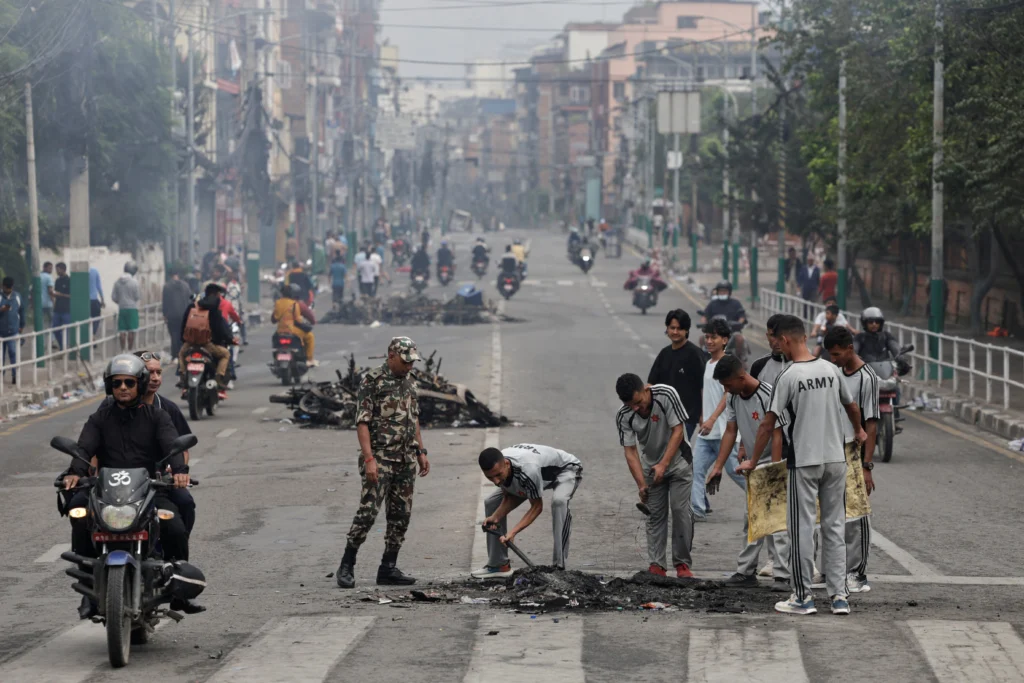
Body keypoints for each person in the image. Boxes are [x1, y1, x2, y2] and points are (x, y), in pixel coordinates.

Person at [737, 315, 867, 616]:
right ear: (805, 336)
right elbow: (851, 406)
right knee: (834, 527)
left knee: (802, 529)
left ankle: (802, 596)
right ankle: (838, 598)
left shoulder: (788, 376)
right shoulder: (832, 370)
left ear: (784, 341)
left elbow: (768, 424)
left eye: (775, 340)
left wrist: (753, 460)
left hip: (804, 463)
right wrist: (858, 431)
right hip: (835, 459)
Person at [59, 354, 193, 619]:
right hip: (105, 489)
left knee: (175, 525)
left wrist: (179, 471)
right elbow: (85, 447)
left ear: (139, 385)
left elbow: (171, 443)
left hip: (149, 489)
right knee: (77, 511)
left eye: (129, 383)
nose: (123, 388)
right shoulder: (100, 418)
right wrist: (75, 472)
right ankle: (88, 591)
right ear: (110, 386)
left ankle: (177, 587)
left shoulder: (157, 417)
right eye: (117, 382)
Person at [336, 337, 431, 589]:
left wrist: (421, 451)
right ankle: (347, 564)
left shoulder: (411, 382)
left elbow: (414, 419)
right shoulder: (373, 380)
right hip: (380, 458)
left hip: (405, 459)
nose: (410, 366)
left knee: (401, 516)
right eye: (405, 361)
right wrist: (369, 459)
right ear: (391, 356)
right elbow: (362, 422)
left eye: (412, 361)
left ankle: (388, 568)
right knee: (367, 513)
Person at [706, 355, 791, 591]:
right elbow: (731, 431)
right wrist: (718, 467)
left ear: (741, 377)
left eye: (728, 384)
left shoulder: (769, 394)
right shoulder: (733, 397)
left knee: (777, 522)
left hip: (775, 461)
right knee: (751, 520)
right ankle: (746, 572)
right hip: (752, 464)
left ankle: (783, 576)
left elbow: (777, 434)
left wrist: (773, 472)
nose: (726, 389)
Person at [615, 373, 694, 577]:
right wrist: (641, 484)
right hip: (651, 468)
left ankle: (682, 564)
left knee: (679, 510)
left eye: (638, 402)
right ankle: (657, 564)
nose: (636, 408)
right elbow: (630, 451)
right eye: (630, 405)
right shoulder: (624, 415)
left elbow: (678, 430)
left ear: (646, 389)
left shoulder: (666, 394)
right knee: (654, 516)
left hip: (678, 463)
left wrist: (664, 464)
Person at [824, 326, 879, 594]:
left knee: (856, 514)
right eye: (829, 355)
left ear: (849, 348)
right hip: (832, 448)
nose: (833, 359)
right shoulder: (833, 372)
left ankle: (857, 573)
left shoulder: (867, 378)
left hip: (854, 452)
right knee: (830, 512)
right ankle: (833, 570)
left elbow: (871, 423)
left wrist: (867, 467)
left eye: (836, 354)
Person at [473, 444, 583, 577]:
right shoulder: (500, 465)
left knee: (559, 502)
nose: (495, 481)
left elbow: (537, 507)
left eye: (497, 475)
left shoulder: (528, 469)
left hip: (565, 469)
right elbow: (509, 496)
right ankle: (499, 565)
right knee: (491, 502)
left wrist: (512, 533)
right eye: (490, 477)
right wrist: (495, 516)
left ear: (506, 464)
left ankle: (559, 567)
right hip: (534, 474)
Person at [691, 319, 736, 521]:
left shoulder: (727, 364)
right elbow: (706, 392)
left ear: (724, 340)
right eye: (707, 337)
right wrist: (703, 415)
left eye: (714, 337)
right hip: (707, 432)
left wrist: (713, 418)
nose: (709, 341)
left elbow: (728, 394)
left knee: (735, 471)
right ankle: (697, 510)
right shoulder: (708, 364)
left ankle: (762, 499)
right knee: (695, 469)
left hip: (723, 431)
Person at [648, 309, 705, 440]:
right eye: (672, 328)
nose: (675, 332)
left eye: (679, 328)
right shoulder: (664, 354)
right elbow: (651, 384)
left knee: (676, 453)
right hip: (664, 416)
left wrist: (703, 415)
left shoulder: (695, 354)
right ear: (667, 329)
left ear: (686, 330)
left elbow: (703, 387)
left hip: (687, 417)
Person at [178, 282, 234, 388]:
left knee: (181, 354)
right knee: (225, 354)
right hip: (208, 344)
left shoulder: (192, 306)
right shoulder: (215, 311)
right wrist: (228, 339)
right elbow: (220, 329)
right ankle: (218, 378)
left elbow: (184, 325)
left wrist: (184, 339)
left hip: (191, 343)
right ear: (217, 295)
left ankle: (183, 375)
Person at [272, 283, 316, 366]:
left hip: (280, 331)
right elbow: (298, 320)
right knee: (310, 337)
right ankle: (309, 360)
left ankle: (276, 360)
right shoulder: (295, 304)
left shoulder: (278, 303)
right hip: (292, 330)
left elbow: (274, 318)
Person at [162, 268, 194, 360]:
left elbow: (165, 302)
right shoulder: (186, 285)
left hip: (171, 315)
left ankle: (175, 354)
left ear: (170, 276)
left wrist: (164, 314)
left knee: (173, 334)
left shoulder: (167, 287)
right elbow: (190, 299)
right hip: (184, 314)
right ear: (178, 275)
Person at [111, 260, 142, 351]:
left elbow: (114, 297)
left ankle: (123, 350)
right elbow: (137, 296)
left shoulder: (117, 282)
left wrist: (120, 302)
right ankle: (130, 350)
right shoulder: (134, 282)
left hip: (122, 308)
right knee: (131, 331)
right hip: (132, 309)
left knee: (122, 331)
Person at [0, 277, 25, 383]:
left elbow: (22, 311)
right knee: (1, 356)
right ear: (3, 286)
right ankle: (1, 375)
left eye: (10, 288)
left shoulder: (17, 296)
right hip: (1, 331)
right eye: (7, 288)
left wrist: (22, 326)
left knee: (13, 353)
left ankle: (15, 375)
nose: (8, 290)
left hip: (13, 330)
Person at [52, 262, 72, 350]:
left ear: (63, 269)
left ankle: (65, 347)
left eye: (58, 269)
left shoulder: (69, 281)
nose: (56, 271)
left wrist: (61, 295)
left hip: (66, 309)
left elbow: (71, 296)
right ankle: (62, 346)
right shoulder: (57, 281)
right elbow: (56, 293)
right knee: (55, 329)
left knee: (66, 330)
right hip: (57, 309)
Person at [88, 266, 105, 336]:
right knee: (96, 319)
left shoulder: (79, 272)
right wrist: (102, 300)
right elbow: (99, 287)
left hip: (83, 301)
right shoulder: (94, 271)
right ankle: (93, 334)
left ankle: (89, 336)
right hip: (94, 300)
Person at [40, 261, 54, 333]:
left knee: (40, 322)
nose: (51, 270)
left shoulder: (38, 276)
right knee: (52, 321)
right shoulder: (49, 277)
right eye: (49, 268)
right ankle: (51, 338)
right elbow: (50, 291)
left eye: (51, 268)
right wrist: (53, 301)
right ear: (44, 268)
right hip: (48, 303)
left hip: (39, 303)